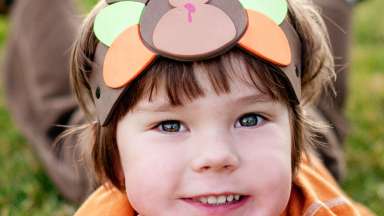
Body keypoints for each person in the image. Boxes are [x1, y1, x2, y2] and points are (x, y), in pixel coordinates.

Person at [70, 0, 374, 215]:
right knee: (61, 118)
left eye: (250, 119)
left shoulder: (323, 209)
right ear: (115, 155)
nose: (216, 156)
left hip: (307, 146)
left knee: (322, 101)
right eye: (170, 125)